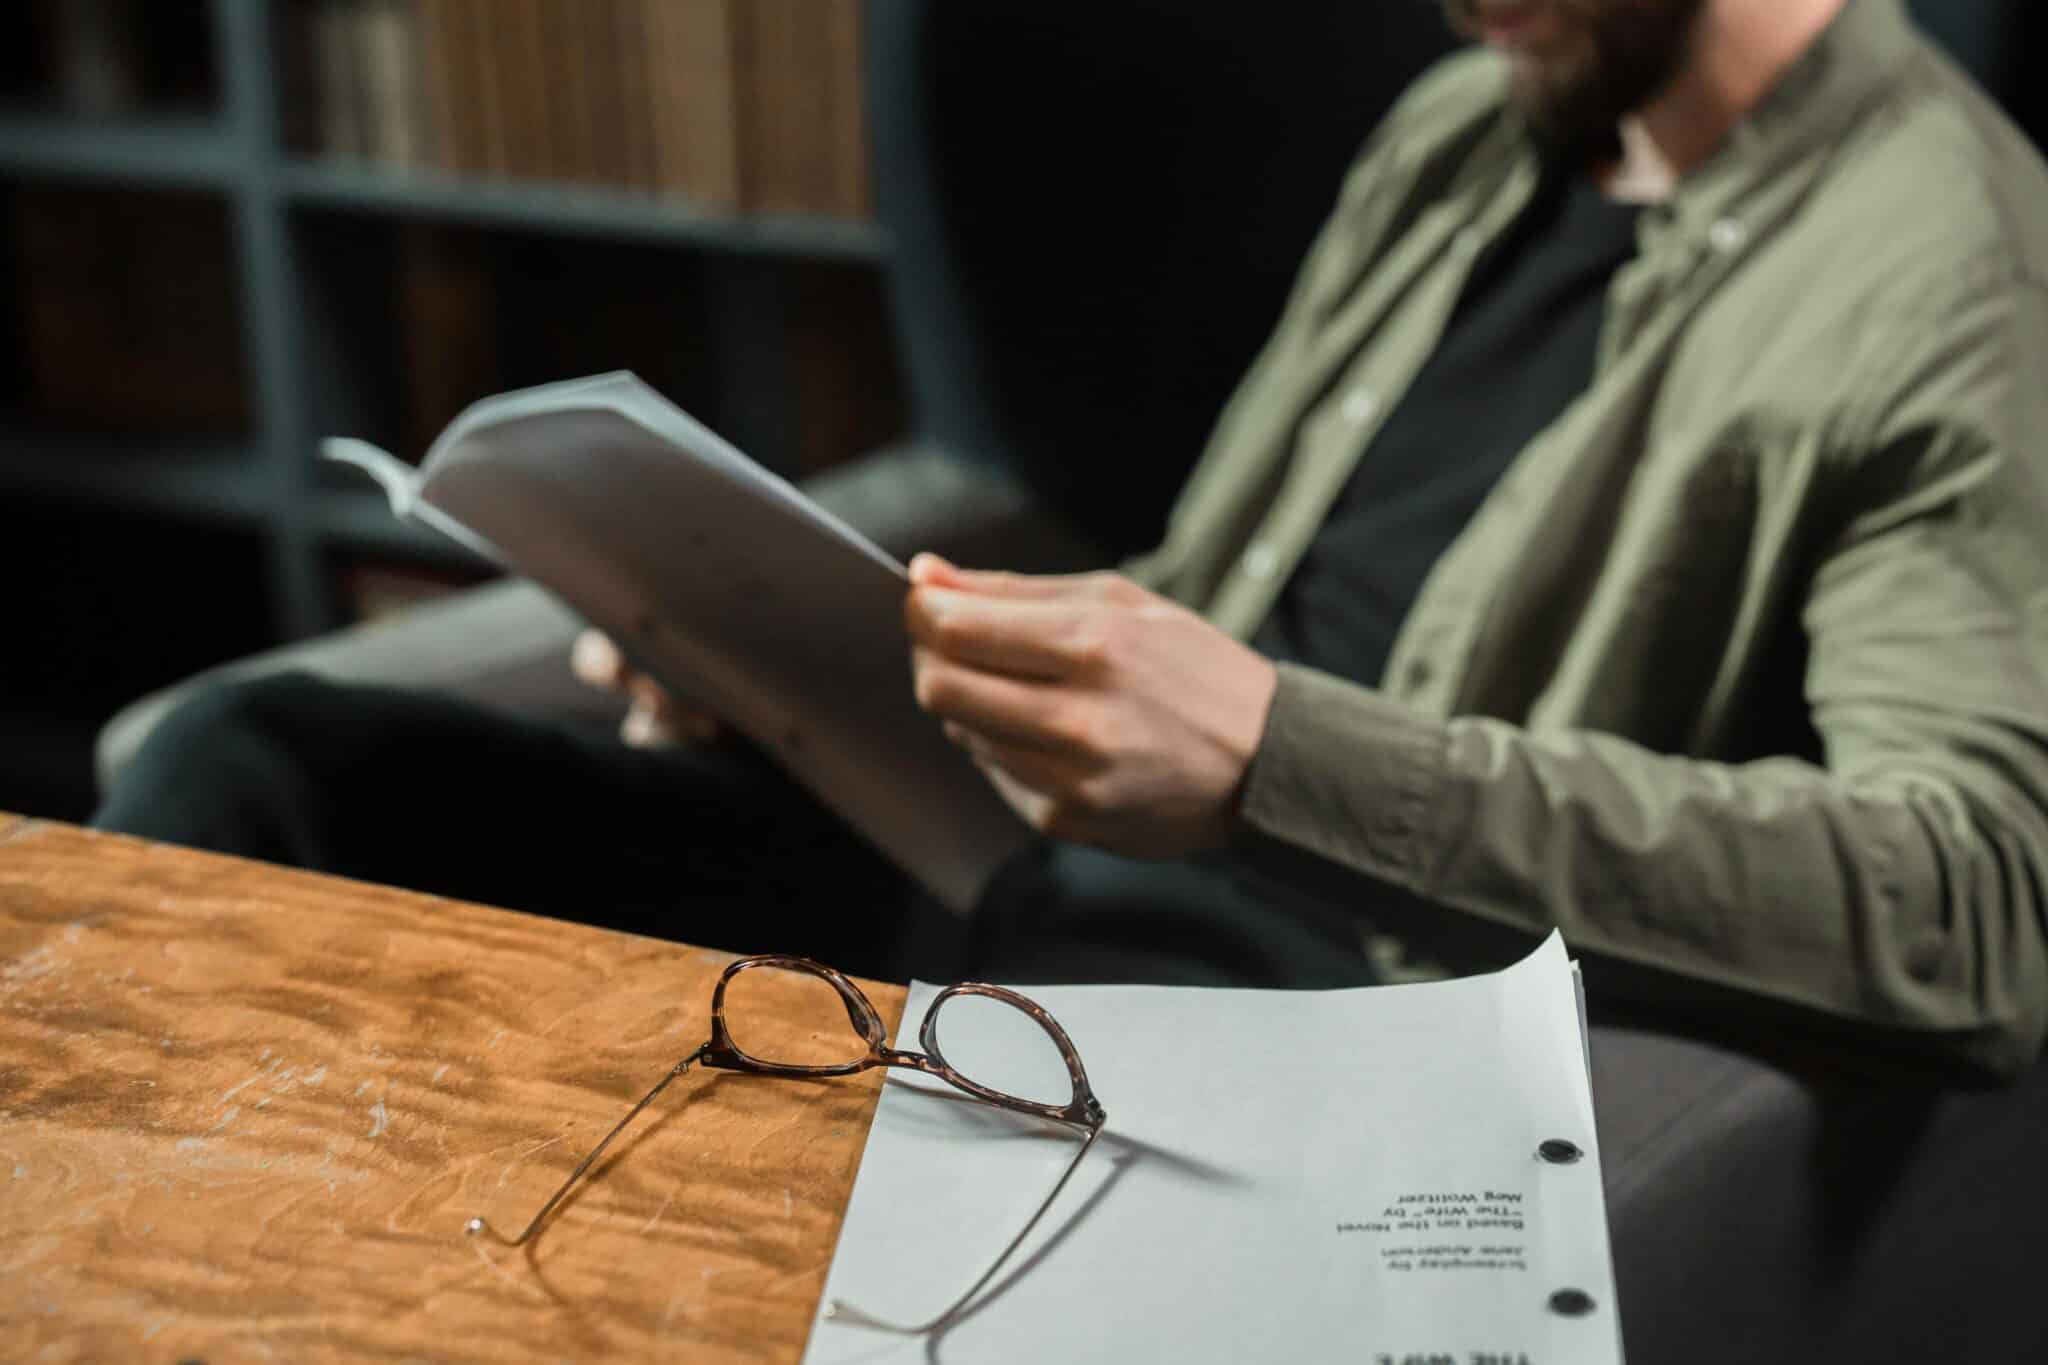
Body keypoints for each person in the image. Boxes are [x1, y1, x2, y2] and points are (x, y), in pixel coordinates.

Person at [99, 0, 2048, 1075]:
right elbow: (1215, 587)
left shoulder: (1950, 266)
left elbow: (1975, 903)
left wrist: (1278, 753)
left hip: (1286, 996)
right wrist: (795, 669)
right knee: (246, 757)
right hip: (1021, 862)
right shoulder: (1476, 125)